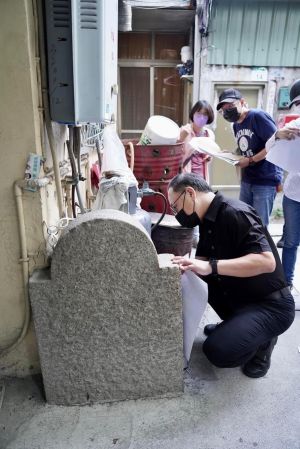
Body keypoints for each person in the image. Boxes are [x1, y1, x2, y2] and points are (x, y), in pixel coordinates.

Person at [168, 173, 295, 378]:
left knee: (217, 351)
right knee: (203, 275)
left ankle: (264, 343)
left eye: (175, 206)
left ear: (190, 193)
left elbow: (267, 262)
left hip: (272, 306)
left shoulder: (235, 212)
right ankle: (238, 325)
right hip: (244, 296)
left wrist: (211, 266)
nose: (176, 213)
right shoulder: (207, 219)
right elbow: (201, 261)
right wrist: (184, 265)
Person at [217, 88, 283, 227]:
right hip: (248, 179)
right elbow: (246, 149)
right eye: (223, 109)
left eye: (230, 106)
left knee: (259, 226)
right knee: (244, 221)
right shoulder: (236, 125)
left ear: (242, 102)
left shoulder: (257, 116)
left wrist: (251, 160)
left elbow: (275, 143)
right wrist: (231, 155)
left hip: (265, 179)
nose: (226, 111)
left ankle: (261, 249)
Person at [266, 79, 300, 288]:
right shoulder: (295, 125)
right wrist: (278, 134)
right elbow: (269, 145)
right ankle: (286, 285)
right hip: (293, 195)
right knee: (290, 242)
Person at [180, 100, 215, 180]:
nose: (202, 117)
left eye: (205, 114)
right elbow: (175, 153)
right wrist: (181, 138)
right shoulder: (184, 130)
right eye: (199, 113)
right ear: (193, 114)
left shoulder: (209, 134)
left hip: (202, 177)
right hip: (186, 177)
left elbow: (210, 154)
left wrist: (209, 157)